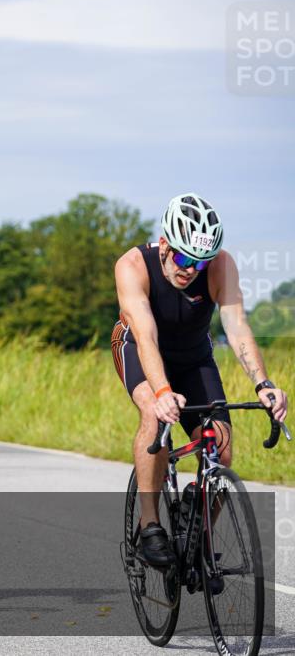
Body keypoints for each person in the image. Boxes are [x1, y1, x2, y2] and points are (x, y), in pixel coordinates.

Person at [112, 193, 288, 569]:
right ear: (164, 244)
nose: (191, 268)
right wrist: (161, 392)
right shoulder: (132, 265)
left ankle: (196, 526)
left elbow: (237, 326)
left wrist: (264, 384)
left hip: (193, 355)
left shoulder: (220, 267)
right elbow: (146, 336)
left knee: (220, 447)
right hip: (139, 347)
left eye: (200, 261)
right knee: (155, 416)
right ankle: (150, 525)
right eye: (183, 257)